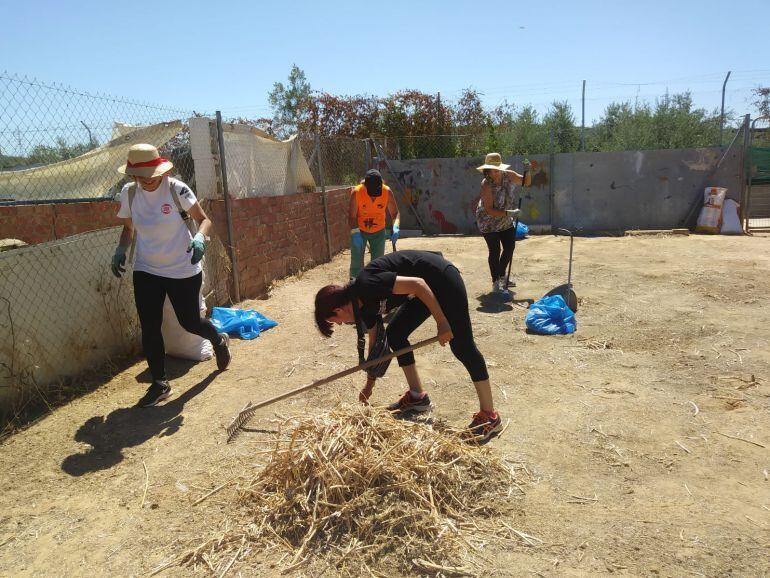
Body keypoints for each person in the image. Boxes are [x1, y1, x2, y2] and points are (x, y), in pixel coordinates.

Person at [314, 250, 503, 443]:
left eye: (336, 321)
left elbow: (418, 284)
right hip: (424, 290)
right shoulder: (363, 309)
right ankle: (417, 397)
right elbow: (377, 348)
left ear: (337, 310)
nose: (341, 324)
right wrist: (369, 386)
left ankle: (490, 416)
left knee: (462, 346)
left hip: (441, 278)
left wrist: (442, 322)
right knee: (395, 334)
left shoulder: (366, 284)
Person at [110, 143, 231, 407]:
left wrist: (200, 238)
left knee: (189, 322)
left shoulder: (177, 189)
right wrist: (121, 249)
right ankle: (160, 383)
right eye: (142, 177)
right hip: (146, 269)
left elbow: (204, 219)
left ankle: (218, 340)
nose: (149, 181)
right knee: (150, 326)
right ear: (133, 177)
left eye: (152, 175)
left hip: (182, 267)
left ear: (161, 170)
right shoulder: (129, 194)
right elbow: (128, 229)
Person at [475, 152, 531, 299]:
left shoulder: (509, 175)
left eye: (498, 168)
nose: (497, 172)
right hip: (488, 221)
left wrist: (528, 170)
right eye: (493, 170)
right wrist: (509, 213)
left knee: (509, 247)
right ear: (487, 171)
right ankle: (495, 282)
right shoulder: (486, 184)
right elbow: (489, 209)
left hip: (506, 218)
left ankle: (501, 276)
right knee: (495, 250)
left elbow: (526, 182)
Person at [348, 169, 400, 279]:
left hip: (379, 232)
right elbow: (352, 217)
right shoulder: (356, 192)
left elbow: (395, 213)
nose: (374, 197)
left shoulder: (387, 192)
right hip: (360, 231)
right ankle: (354, 287)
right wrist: (355, 233)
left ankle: (375, 287)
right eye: (371, 193)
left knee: (378, 264)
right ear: (365, 186)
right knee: (356, 263)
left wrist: (396, 226)